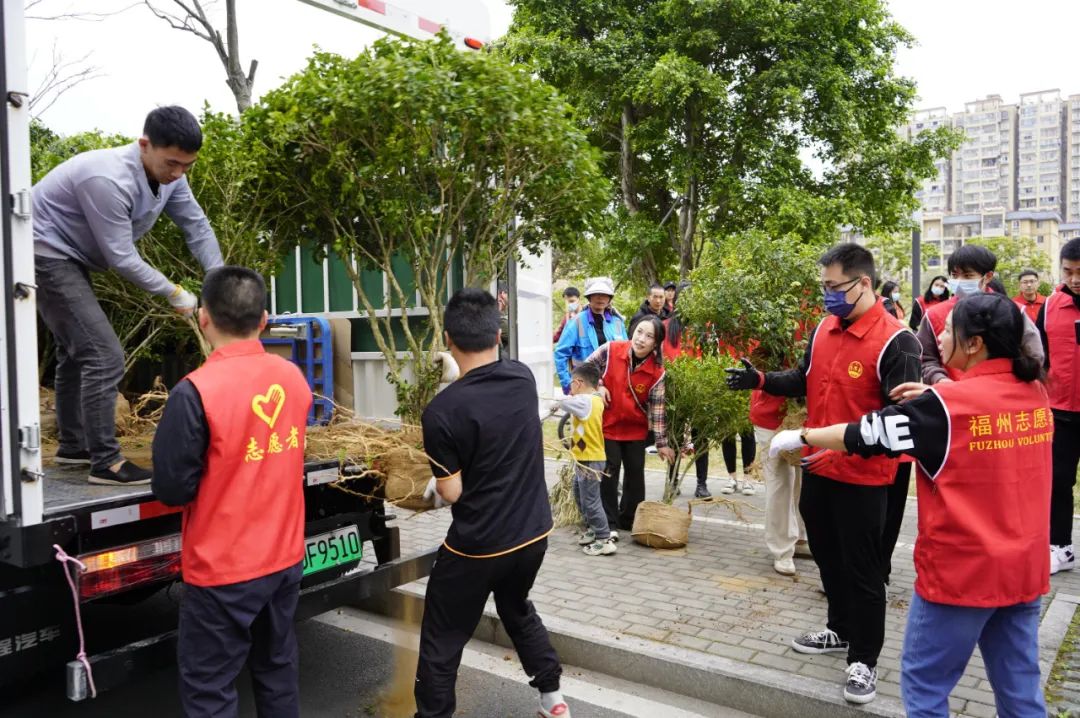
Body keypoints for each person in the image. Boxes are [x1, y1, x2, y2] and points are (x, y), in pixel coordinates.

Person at [770, 292, 1051, 718]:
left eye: (948, 328)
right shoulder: (1034, 394)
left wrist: (804, 436)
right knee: (1020, 693)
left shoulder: (945, 409)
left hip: (961, 577)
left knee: (925, 690)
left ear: (974, 344)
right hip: (1024, 572)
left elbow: (868, 434)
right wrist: (938, 397)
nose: (938, 335)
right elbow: (975, 409)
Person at [725, 243, 922, 705]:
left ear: (864, 283)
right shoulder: (825, 328)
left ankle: (865, 659)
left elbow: (899, 424)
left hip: (864, 478)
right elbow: (804, 378)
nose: (828, 296)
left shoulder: (898, 342)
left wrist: (838, 442)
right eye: (825, 287)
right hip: (818, 469)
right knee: (829, 559)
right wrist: (762, 381)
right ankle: (838, 629)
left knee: (864, 572)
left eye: (835, 288)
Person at [151, 267, 313, 718]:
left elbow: (171, 489)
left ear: (203, 317)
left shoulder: (194, 392)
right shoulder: (293, 378)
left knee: (210, 689)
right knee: (277, 669)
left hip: (223, 570)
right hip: (283, 559)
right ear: (263, 320)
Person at [34, 106, 223, 486]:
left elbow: (196, 225)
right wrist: (174, 292)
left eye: (187, 166)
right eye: (172, 163)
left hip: (71, 256)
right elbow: (120, 256)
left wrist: (219, 279)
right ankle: (106, 462)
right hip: (43, 251)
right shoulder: (107, 179)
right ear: (144, 144)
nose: (177, 173)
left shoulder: (171, 177)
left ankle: (73, 447)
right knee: (104, 354)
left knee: (77, 351)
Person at [416, 288, 568, 718]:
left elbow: (452, 493)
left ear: (448, 339)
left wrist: (435, 480)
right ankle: (553, 699)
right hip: (532, 535)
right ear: (498, 336)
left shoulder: (441, 412)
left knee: (442, 638)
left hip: (477, 547)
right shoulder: (522, 378)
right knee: (516, 607)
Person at [580, 315, 676, 531]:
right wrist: (599, 385)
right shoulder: (611, 349)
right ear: (633, 331)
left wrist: (662, 444)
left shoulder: (657, 372)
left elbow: (658, 410)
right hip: (608, 426)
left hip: (636, 431)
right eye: (639, 332)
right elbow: (585, 369)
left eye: (649, 336)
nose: (641, 339)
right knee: (609, 475)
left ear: (655, 343)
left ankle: (630, 520)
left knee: (635, 476)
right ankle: (609, 523)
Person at [916, 245, 1043, 385]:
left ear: (987, 277)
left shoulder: (1012, 311)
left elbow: (1033, 354)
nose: (959, 281)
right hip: (954, 398)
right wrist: (940, 380)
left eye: (968, 275)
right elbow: (925, 358)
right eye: (954, 275)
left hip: (1003, 396)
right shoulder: (934, 314)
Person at [1037, 238, 1080, 575]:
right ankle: (1061, 548)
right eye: (1068, 271)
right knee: (1059, 481)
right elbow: (1039, 357)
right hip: (1061, 410)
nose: (1075, 279)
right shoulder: (1051, 305)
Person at [750, 389, 809, 576]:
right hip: (771, 418)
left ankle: (799, 537)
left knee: (802, 478)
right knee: (781, 482)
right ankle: (782, 549)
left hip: (805, 415)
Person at [559, 363, 615, 556]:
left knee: (590, 500)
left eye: (571, 384)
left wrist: (551, 402)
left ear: (579, 383)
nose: (569, 388)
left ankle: (603, 538)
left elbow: (562, 401)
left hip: (590, 460)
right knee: (579, 493)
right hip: (585, 459)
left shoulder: (585, 401)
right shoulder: (594, 398)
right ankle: (594, 528)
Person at [662, 289, 711, 498]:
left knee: (701, 436)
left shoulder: (704, 329)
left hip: (698, 389)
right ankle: (672, 481)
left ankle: (702, 484)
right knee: (674, 436)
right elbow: (661, 357)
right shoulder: (665, 327)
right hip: (675, 391)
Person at [554, 277, 627, 395]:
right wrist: (568, 385)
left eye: (604, 294)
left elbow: (625, 353)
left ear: (609, 298)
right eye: (596, 294)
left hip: (613, 384)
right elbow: (560, 354)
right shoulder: (577, 322)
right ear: (589, 297)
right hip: (585, 386)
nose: (600, 298)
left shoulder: (617, 322)